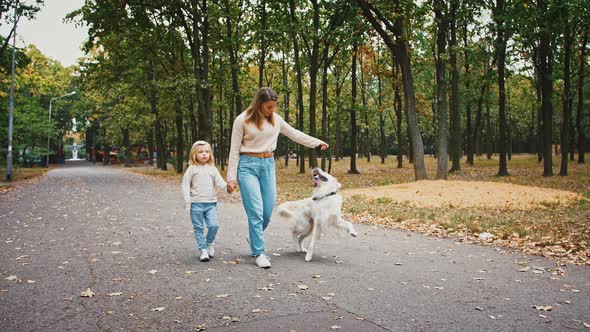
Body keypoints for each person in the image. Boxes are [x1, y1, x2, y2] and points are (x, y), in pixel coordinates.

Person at [226, 87, 328, 268]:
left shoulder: (276, 119)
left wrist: (316, 143)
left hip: (268, 165)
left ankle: (253, 236)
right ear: (258, 104)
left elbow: (294, 134)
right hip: (247, 166)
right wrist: (230, 178)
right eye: (268, 107)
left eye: (273, 107)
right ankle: (259, 252)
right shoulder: (242, 120)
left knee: (267, 210)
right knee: (256, 211)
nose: (271, 110)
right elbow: (234, 149)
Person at [182, 140, 228, 262]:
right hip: (196, 203)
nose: (204, 154)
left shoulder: (212, 169)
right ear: (194, 154)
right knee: (198, 228)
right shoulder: (191, 169)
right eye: (201, 152)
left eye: (207, 152)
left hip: (210, 203)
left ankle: (209, 243)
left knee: (214, 225)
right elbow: (185, 185)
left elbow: (220, 182)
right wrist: (188, 202)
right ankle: (203, 250)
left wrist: (228, 187)